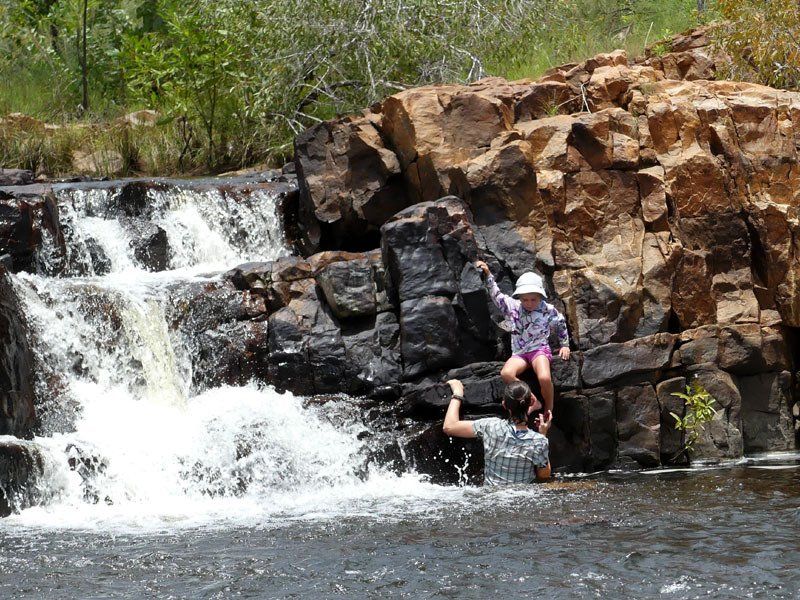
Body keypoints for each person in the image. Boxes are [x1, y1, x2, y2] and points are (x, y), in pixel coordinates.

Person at [474, 260, 570, 418]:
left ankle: (549, 407)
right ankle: (533, 400)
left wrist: (564, 344)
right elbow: (496, 296)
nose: (529, 303)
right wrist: (488, 274)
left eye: (533, 299)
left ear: (540, 296)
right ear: (519, 297)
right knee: (506, 373)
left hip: (539, 350)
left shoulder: (548, 310)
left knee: (544, 377)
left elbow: (560, 322)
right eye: (525, 299)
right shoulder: (513, 306)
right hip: (519, 353)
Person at [443, 379, 551, 484]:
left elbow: (449, 427)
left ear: (504, 404)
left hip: (491, 494)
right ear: (531, 402)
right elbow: (544, 475)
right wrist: (543, 434)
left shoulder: (491, 426)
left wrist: (457, 394)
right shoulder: (538, 441)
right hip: (522, 494)